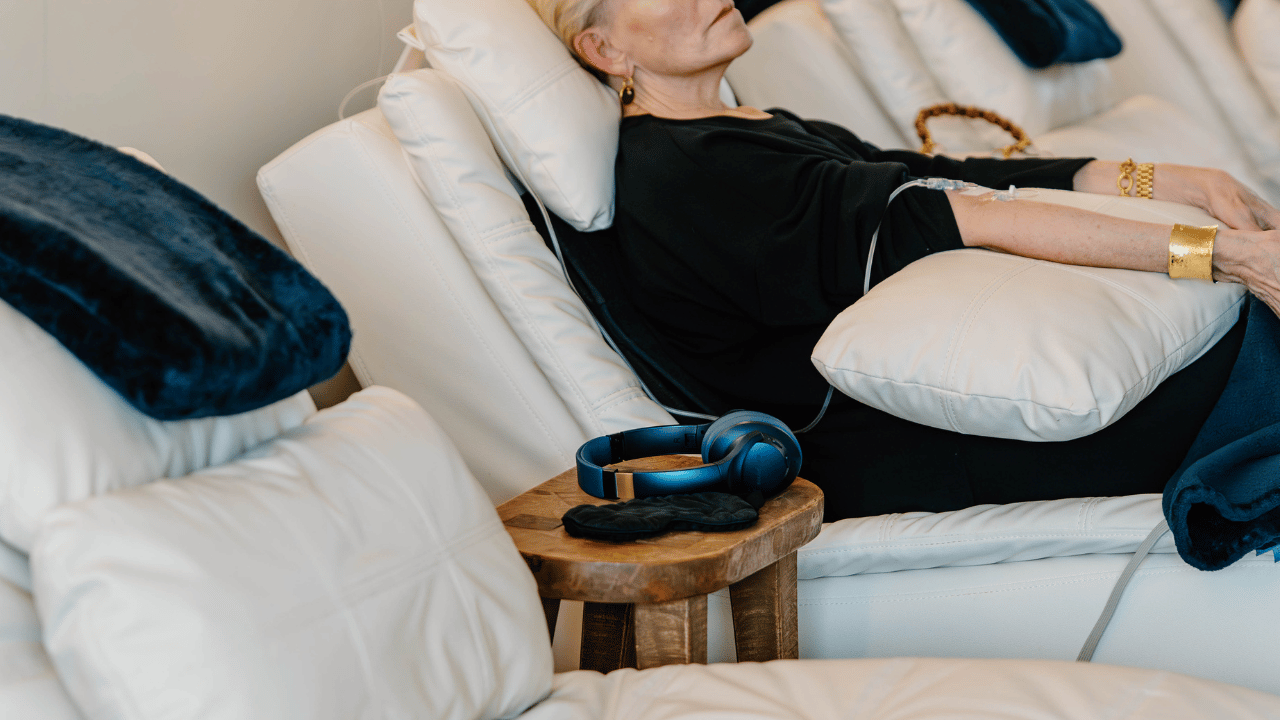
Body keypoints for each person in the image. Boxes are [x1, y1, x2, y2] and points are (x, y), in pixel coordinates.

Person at [527, 0, 1280, 520]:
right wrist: (1225, 256)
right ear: (604, 49)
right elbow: (968, 213)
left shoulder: (755, 126)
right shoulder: (685, 170)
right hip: (914, 448)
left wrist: (1166, 178)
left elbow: (953, 171)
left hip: (960, 423)